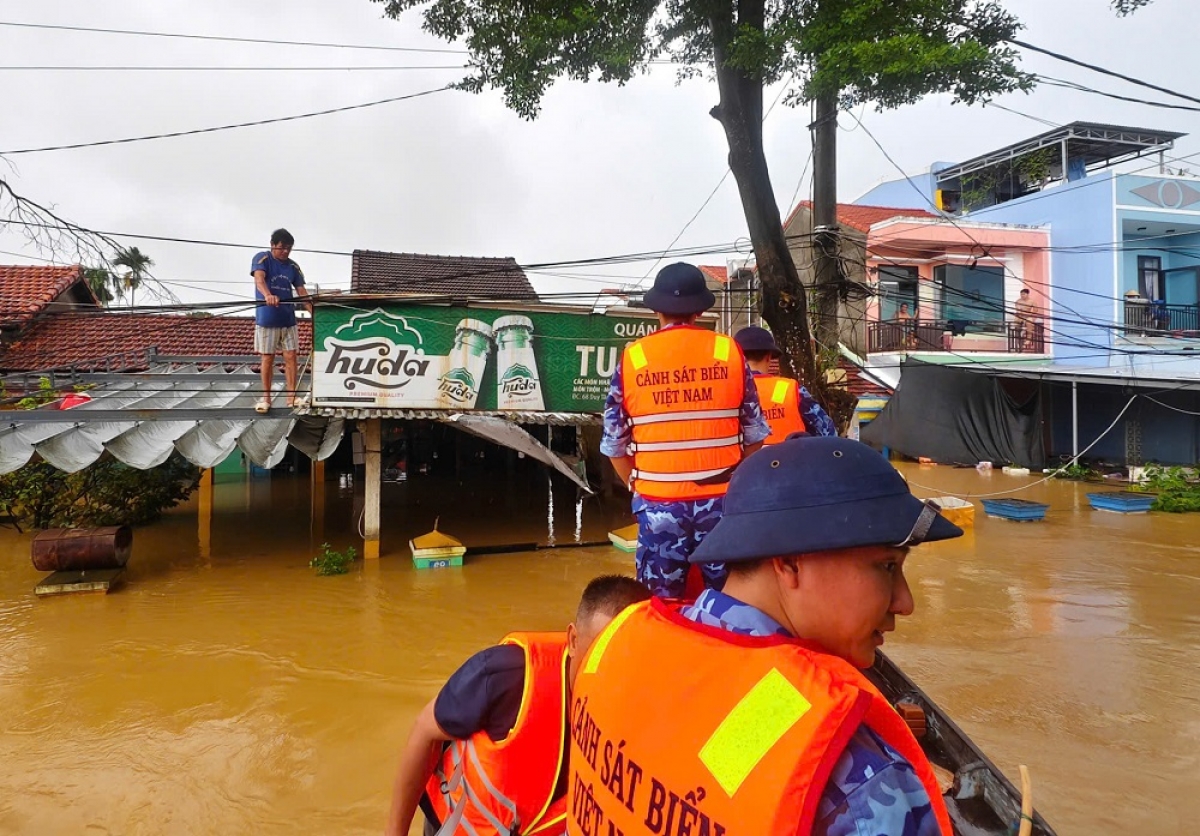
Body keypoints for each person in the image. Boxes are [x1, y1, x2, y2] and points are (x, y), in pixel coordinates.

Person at [567, 436, 963, 836]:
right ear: (790, 564)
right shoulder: (855, 782)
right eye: (887, 567)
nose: (905, 602)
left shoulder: (621, 647)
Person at [385, 575, 651, 836]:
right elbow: (424, 730)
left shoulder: (644, 713)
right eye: (597, 655)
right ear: (572, 640)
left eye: (624, 661)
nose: (606, 674)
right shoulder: (504, 677)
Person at [601, 262, 770, 598]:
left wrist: (640, 487)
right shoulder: (728, 351)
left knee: (660, 607)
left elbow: (614, 445)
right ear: (700, 311)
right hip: (721, 505)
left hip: (658, 505)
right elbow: (754, 436)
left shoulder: (634, 359)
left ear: (656, 310)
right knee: (729, 600)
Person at [734, 325, 836, 440]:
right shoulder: (790, 390)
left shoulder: (728, 391)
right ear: (768, 357)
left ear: (737, 357)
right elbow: (826, 430)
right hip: (789, 457)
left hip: (745, 458)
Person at [251, 228, 308, 413]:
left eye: (289, 248)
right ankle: (266, 398)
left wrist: (315, 312)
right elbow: (259, 280)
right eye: (282, 247)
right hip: (267, 319)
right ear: (273, 245)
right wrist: (268, 295)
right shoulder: (263, 259)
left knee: (291, 357)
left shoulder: (293, 267)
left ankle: (291, 396)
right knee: (268, 358)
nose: (285, 251)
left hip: (288, 319)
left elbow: (301, 292)